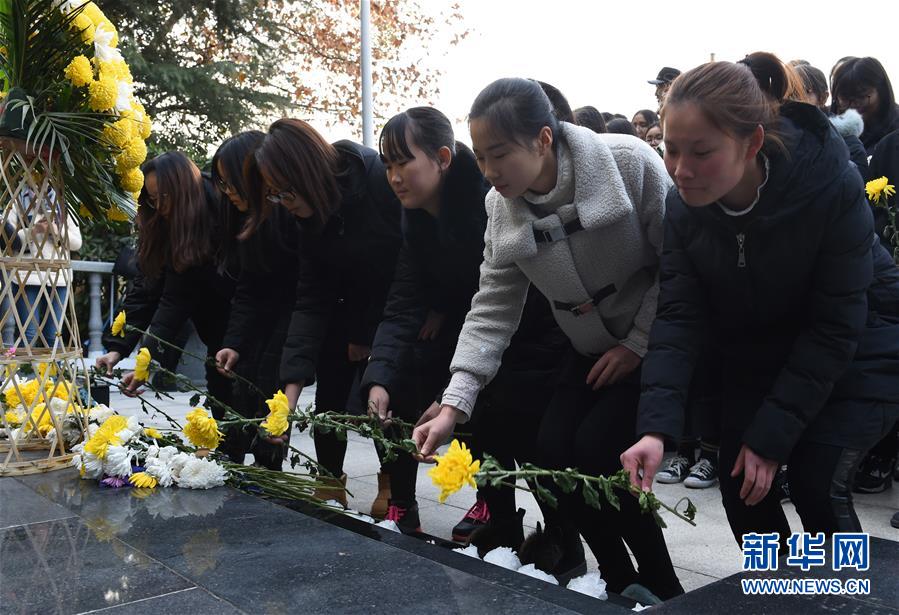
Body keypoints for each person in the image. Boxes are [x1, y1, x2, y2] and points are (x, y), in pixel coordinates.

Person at [413, 77, 683, 599]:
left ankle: (665, 586)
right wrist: (454, 404)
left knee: (600, 450)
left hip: (654, 342)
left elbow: (680, 266)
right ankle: (619, 580)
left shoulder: (628, 163)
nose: (490, 173)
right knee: (553, 455)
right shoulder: (502, 206)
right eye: (482, 158)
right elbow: (492, 306)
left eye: (500, 155)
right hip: (585, 348)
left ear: (543, 139)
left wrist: (638, 343)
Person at [622, 54, 899, 549]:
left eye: (701, 152)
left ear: (751, 143)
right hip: (764, 350)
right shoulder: (684, 207)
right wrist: (657, 431)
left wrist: (772, 439)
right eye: (670, 151)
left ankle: (854, 599)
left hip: (861, 344)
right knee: (740, 482)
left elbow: (836, 324)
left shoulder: (830, 185)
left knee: (816, 483)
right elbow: (680, 315)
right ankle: (782, 594)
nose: (681, 171)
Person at [254, 119, 402, 509]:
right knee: (331, 400)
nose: (283, 204)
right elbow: (311, 297)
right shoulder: (305, 216)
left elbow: (404, 268)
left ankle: (394, 484)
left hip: (391, 310)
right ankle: (330, 476)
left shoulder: (375, 181)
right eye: (276, 196)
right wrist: (286, 402)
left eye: (284, 193)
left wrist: (368, 335)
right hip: (339, 311)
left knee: (384, 399)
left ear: (305, 172)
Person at [360, 107, 489, 532]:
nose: (394, 176)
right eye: (388, 164)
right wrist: (378, 376)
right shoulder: (413, 216)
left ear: (443, 158)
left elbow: (494, 302)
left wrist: (450, 391)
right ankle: (402, 501)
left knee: (480, 402)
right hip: (449, 320)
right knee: (397, 382)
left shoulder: (486, 203)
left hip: (493, 328)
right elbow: (402, 299)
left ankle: (491, 499)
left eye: (404, 162)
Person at [97, 152, 243, 458]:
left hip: (245, 314)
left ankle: (265, 472)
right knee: (220, 393)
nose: (160, 206)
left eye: (165, 197)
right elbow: (148, 288)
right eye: (152, 198)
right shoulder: (164, 222)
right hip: (212, 324)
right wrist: (117, 348)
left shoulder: (222, 206)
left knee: (250, 399)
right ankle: (233, 465)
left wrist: (146, 363)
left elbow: (177, 297)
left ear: (183, 189)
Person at [212, 130, 301, 471]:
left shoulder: (286, 214)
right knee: (242, 382)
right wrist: (233, 342)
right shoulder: (246, 223)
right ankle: (235, 459)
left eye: (231, 181)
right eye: (221, 183)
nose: (228, 192)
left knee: (270, 387)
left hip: (294, 316)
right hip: (262, 320)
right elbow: (247, 289)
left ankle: (269, 465)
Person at [6, 186, 81, 349]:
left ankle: (54, 374)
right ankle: (25, 374)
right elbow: (8, 241)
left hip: (57, 277)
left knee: (53, 336)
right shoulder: (19, 201)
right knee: (28, 335)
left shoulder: (62, 203)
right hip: (27, 276)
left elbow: (77, 242)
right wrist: (34, 231)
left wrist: (55, 230)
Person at [831, 57, 899, 153]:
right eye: (845, 98)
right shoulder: (830, 130)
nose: (852, 106)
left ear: (882, 92)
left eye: (861, 97)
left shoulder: (895, 133)